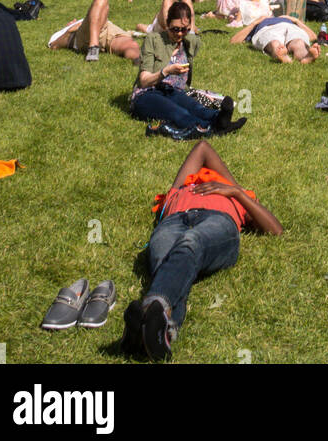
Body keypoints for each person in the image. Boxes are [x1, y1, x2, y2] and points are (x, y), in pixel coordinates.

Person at [121, 139, 282, 360]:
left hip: (217, 221)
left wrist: (235, 192)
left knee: (190, 242)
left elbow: (276, 230)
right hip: (174, 221)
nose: (206, 176)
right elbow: (202, 147)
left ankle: (150, 309)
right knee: (164, 263)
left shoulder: (236, 198)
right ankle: (162, 331)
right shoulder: (179, 189)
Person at [129, 2, 245, 137]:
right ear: (167, 24)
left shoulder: (190, 42)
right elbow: (144, 81)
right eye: (175, 29)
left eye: (184, 29)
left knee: (197, 108)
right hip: (146, 94)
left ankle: (220, 120)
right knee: (178, 113)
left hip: (171, 91)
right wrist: (166, 71)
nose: (179, 34)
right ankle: (211, 129)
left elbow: (190, 11)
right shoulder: (154, 40)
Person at [48, 0, 140, 64]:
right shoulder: (62, 32)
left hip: (107, 28)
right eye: (71, 21)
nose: (74, 20)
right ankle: (93, 46)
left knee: (131, 44)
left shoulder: (85, 19)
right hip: (86, 35)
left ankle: (140, 61)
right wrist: (69, 31)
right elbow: (54, 46)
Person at [231, 10, 321, 63]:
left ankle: (306, 56)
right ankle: (282, 56)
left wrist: (296, 20)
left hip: (289, 26)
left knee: (298, 42)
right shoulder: (259, 23)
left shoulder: (287, 19)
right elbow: (234, 41)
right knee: (274, 43)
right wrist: (255, 22)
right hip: (268, 29)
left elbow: (313, 37)